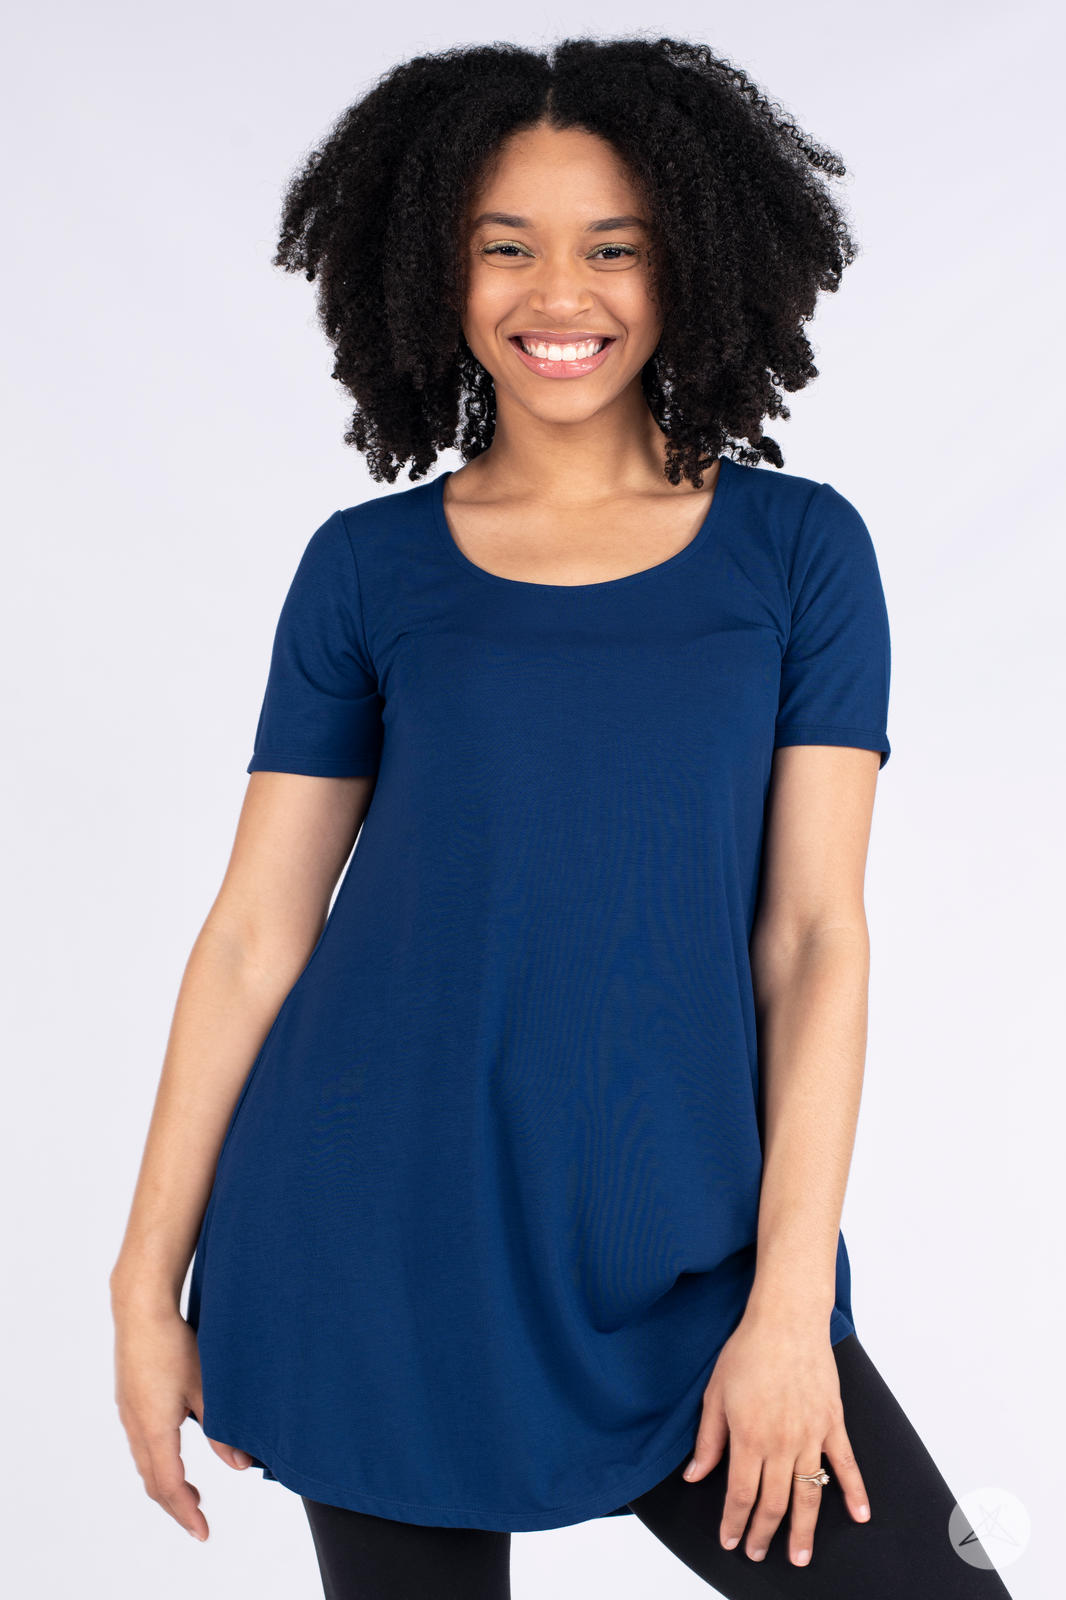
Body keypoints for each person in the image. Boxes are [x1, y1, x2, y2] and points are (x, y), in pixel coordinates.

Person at [110, 35, 1016, 1600]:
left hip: (689, 1261)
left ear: (691, 265)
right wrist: (142, 1284)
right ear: (433, 273)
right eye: (504, 247)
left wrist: (788, 1303)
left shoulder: (797, 552)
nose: (559, 293)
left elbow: (812, 936)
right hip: (376, 1248)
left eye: (613, 247)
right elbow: (256, 933)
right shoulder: (366, 568)